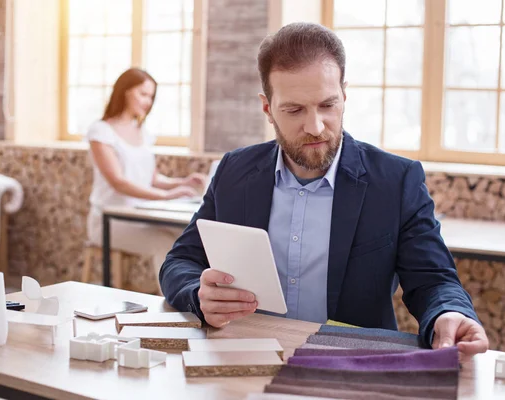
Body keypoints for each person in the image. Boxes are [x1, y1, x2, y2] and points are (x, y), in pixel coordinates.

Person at [159, 23, 488, 359]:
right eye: (294, 110)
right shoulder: (234, 171)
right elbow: (180, 261)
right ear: (267, 108)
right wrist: (196, 294)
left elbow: (434, 280)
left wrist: (451, 313)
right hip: (245, 360)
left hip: (348, 368)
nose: (315, 127)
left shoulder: (396, 180)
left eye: (327, 106)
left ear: (344, 97)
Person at [86, 67, 205, 290]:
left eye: (151, 96)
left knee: (184, 238)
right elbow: (119, 182)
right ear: (124, 91)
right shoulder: (100, 131)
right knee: (166, 243)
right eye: (143, 94)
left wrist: (182, 182)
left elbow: (151, 178)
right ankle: (177, 304)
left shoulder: (142, 131)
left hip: (140, 216)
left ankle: (195, 298)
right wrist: (167, 195)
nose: (148, 102)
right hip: (110, 220)